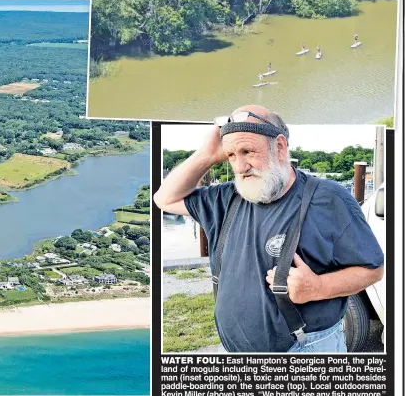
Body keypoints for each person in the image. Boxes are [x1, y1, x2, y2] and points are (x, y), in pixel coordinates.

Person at [154, 105, 384, 353]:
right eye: (231, 155)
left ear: (281, 147)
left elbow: (373, 269)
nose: (240, 166)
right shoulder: (224, 198)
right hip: (232, 351)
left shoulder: (328, 198)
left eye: (248, 151)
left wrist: (318, 287)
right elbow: (164, 200)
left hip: (306, 349)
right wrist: (206, 155)